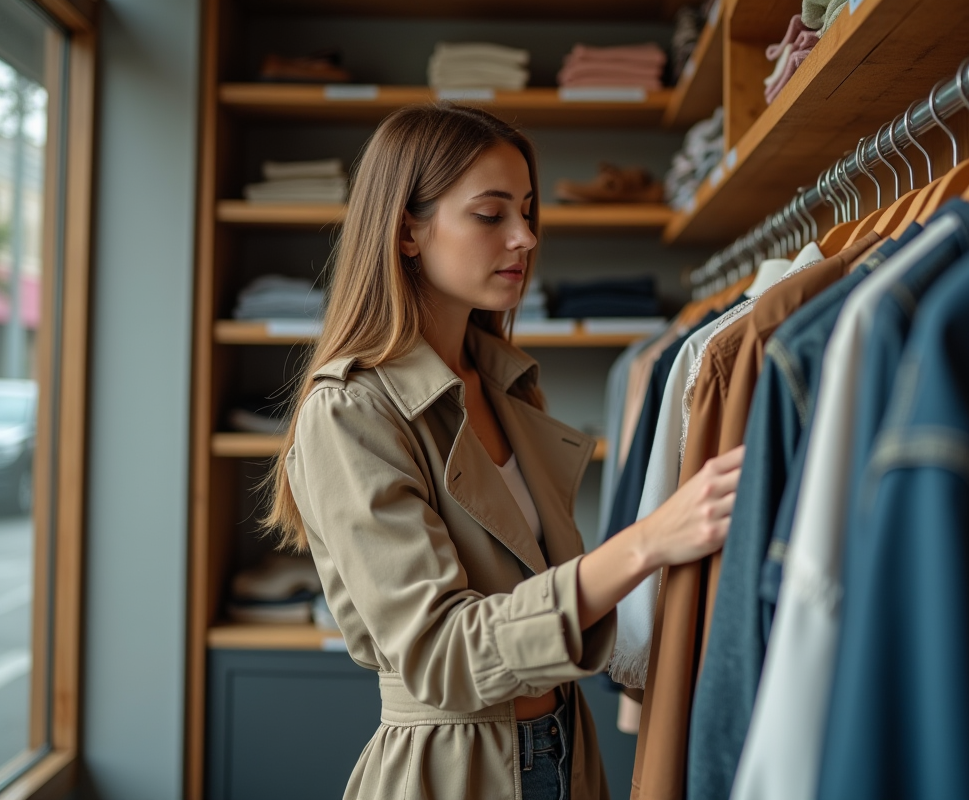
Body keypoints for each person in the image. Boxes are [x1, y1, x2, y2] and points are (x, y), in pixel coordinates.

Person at [264, 103, 743, 800]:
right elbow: (440, 653)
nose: (524, 237)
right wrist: (643, 545)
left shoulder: (505, 386)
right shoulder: (350, 412)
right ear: (406, 230)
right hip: (452, 775)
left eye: (527, 211)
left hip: (566, 753)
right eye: (490, 216)